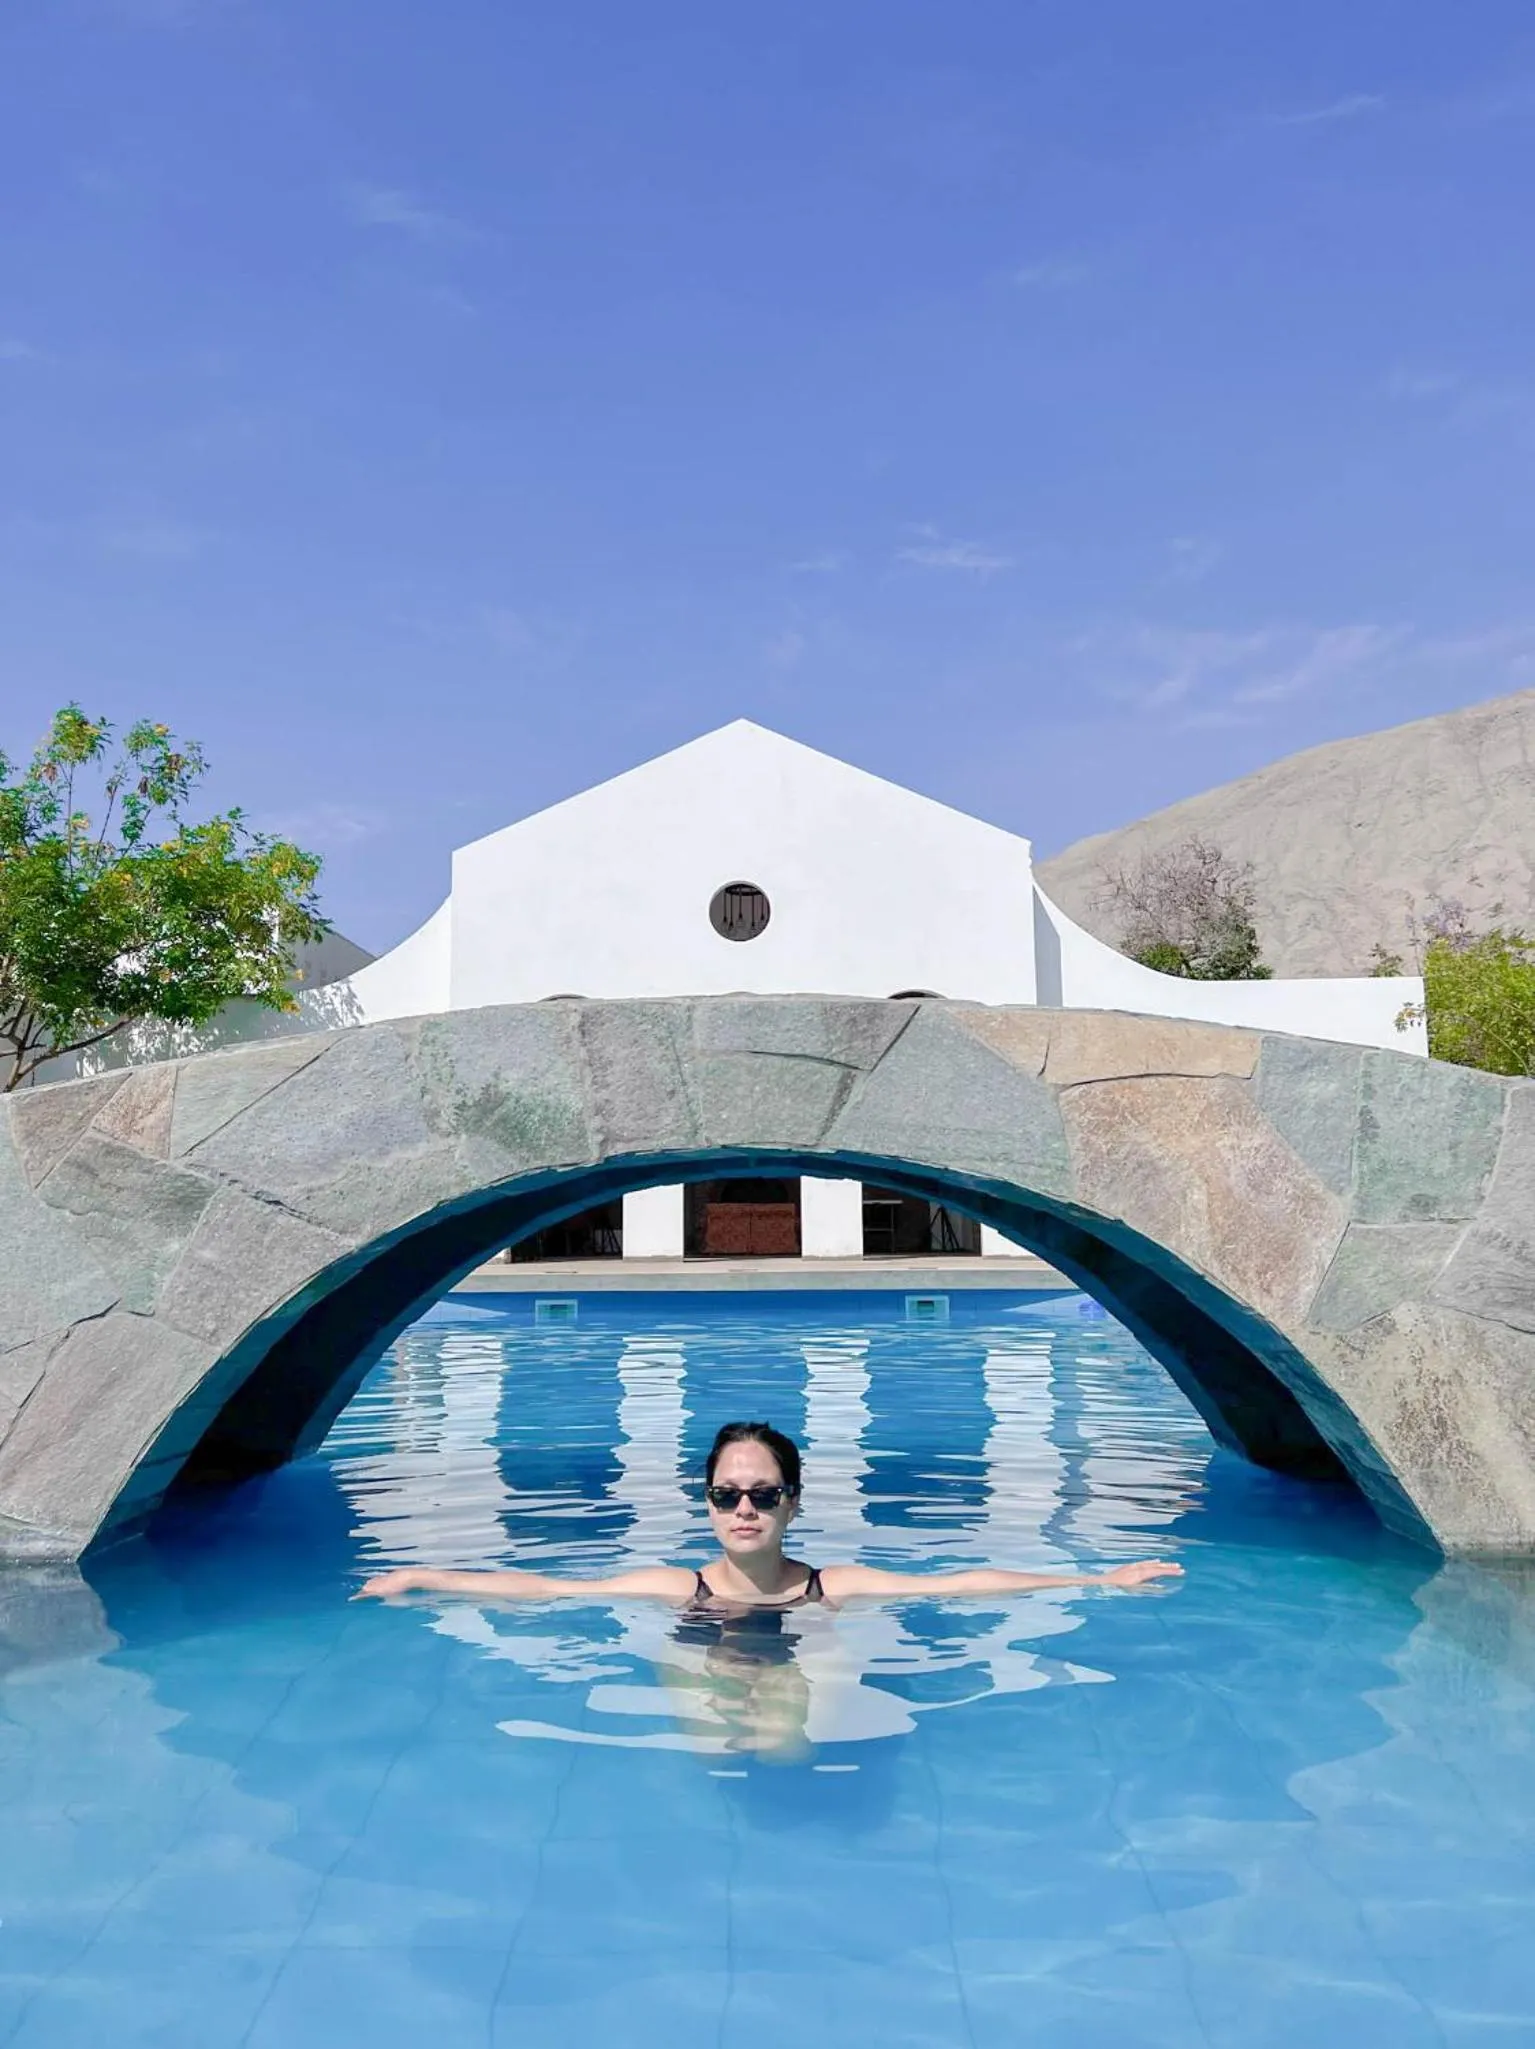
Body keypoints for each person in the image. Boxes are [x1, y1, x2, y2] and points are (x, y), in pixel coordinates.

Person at [356, 1419, 1183, 1607]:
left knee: (787, 1737)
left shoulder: (836, 1585)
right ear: (708, 1502)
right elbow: (544, 1590)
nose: (743, 1506)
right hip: (704, 1645)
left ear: (792, 1500)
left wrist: (1097, 1576)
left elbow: (958, 1582)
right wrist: (426, 1574)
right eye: (727, 1493)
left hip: (802, 1647)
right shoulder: (671, 1586)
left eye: (761, 1492)